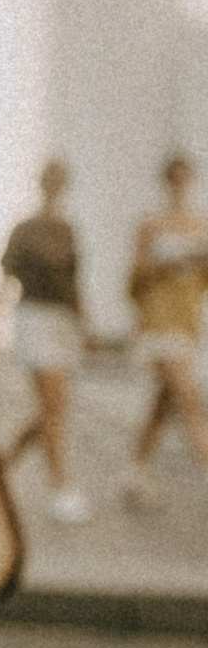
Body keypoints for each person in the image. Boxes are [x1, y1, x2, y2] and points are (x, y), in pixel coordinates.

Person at [0, 158, 91, 524]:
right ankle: (61, 486)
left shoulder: (68, 229)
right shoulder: (24, 229)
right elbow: (8, 278)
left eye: (60, 180)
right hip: (33, 318)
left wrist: (86, 326)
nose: (55, 185)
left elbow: (74, 282)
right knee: (53, 408)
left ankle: (0, 468)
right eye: (50, 179)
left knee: (52, 410)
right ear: (41, 183)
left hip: (63, 319)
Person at [123, 149, 208, 507]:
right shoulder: (151, 222)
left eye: (184, 177)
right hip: (158, 321)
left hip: (185, 320)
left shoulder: (201, 224)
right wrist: (167, 265)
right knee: (189, 400)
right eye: (174, 177)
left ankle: (135, 471)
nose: (179, 184)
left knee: (164, 404)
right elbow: (134, 279)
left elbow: (202, 281)